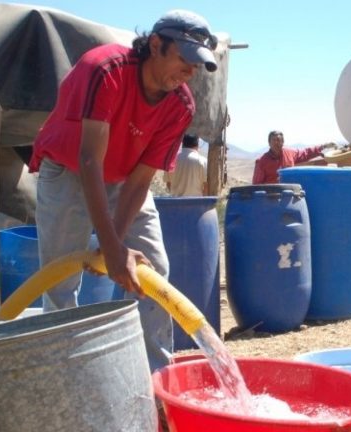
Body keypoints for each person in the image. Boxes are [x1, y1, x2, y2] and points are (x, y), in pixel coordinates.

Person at [28, 9, 218, 371]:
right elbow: (88, 161)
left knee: (154, 270)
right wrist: (113, 249)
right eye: (185, 60)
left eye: (196, 66)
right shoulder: (106, 70)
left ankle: (154, 377)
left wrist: (112, 242)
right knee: (60, 279)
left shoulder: (179, 105)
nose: (189, 73)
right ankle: (69, 376)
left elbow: (141, 180)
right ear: (157, 44)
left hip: (124, 179)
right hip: (69, 170)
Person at [252, 130, 336, 184]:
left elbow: (305, 153)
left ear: (283, 142)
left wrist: (323, 146)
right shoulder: (261, 161)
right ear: (269, 143)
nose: (276, 143)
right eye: (273, 140)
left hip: (289, 194)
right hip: (270, 198)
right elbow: (256, 185)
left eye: (279, 140)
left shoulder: (290, 153)